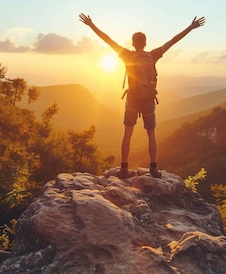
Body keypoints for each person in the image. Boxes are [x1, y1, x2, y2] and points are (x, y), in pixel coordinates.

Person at [79, 13, 205, 179]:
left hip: (132, 99)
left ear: (133, 43)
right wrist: (190, 27)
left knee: (127, 134)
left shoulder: (127, 55)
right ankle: (153, 168)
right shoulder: (152, 55)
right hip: (148, 100)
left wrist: (91, 25)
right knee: (151, 134)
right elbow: (173, 41)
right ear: (145, 43)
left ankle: (124, 169)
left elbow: (107, 40)